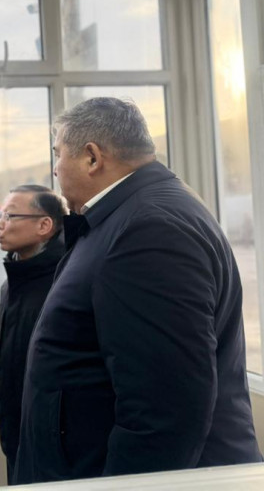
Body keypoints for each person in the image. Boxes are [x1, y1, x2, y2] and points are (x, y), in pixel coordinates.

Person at [14, 97, 262, 484]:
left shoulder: (148, 229)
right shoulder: (126, 216)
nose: (55, 169)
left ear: (92, 157)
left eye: (58, 154)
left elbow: (164, 412)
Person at [0, 185, 67, 483]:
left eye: (10, 216)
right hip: (15, 432)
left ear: (44, 225)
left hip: (55, 440)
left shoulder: (64, 282)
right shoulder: (11, 283)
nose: (0, 224)